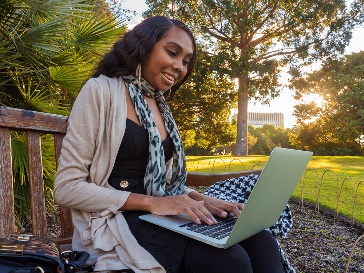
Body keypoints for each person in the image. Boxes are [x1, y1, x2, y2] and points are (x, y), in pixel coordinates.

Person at [54, 16, 288, 273]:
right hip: (116, 220)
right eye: (172, 53)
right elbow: (67, 188)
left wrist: (201, 199)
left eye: (186, 61)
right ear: (143, 47)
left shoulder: (159, 105)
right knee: (230, 260)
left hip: (160, 215)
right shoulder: (100, 91)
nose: (179, 66)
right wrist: (152, 203)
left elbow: (166, 187)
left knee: (262, 241)